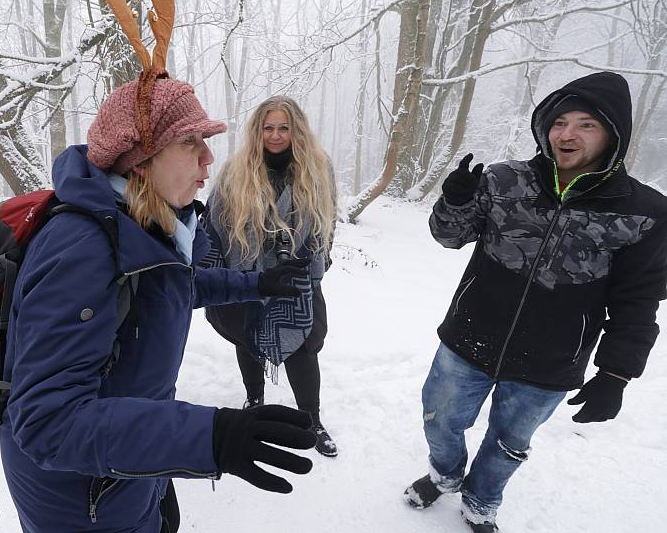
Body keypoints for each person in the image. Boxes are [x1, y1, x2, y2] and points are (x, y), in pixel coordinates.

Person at [0, 0, 317, 533]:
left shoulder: (143, 228)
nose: (207, 160)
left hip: (125, 472)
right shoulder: (83, 248)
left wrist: (256, 284)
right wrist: (208, 437)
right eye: (191, 145)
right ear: (142, 160)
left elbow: (172, 289)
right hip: (80, 502)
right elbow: (45, 423)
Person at [404, 71, 667, 532]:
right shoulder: (505, 180)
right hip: (468, 340)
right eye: (560, 121)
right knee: (439, 418)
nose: (567, 134)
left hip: (551, 362)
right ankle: (444, 476)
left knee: (510, 441)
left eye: (586, 124)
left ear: (614, 133)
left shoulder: (644, 212)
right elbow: (448, 237)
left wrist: (617, 372)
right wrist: (455, 202)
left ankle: (481, 501)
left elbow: (639, 299)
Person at [201, 96, 339, 457]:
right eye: (268, 128)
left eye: (284, 128)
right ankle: (254, 399)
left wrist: (316, 261)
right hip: (248, 274)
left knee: (304, 347)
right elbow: (215, 221)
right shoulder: (236, 171)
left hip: (295, 277)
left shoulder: (318, 170)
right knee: (246, 337)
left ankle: (311, 418)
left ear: (296, 130)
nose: (275, 136)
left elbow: (327, 219)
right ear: (257, 130)